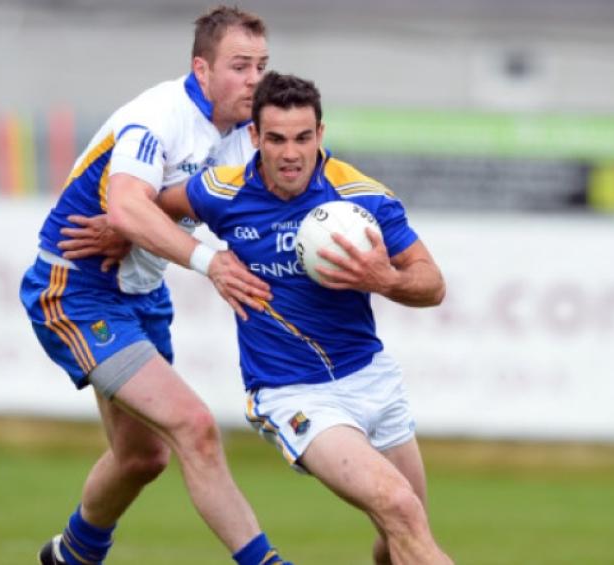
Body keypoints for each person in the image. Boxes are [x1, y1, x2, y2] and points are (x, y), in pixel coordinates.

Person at [20, 7, 294, 565]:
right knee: (195, 427)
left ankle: (72, 556)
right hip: (75, 290)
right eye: (240, 66)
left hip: (141, 294)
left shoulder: (246, 134)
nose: (254, 79)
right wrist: (207, 261)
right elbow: (124, 205)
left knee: (142, 457)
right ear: (202, 68)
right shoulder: (159, 115)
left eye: (261, 65)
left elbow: (249, 213)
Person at [152, 71, 454, 564]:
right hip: (294, 392)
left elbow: (432, 283)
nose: (290, 153)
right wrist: (113, 226)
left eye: (302, 138)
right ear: (254, 137)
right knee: (398, 506)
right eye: (275, 139)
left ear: (320, 135)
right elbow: (151, 207)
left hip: (372, 379)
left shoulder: (361, 197)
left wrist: (384, 279)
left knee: (399, 532)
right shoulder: (221, 192)